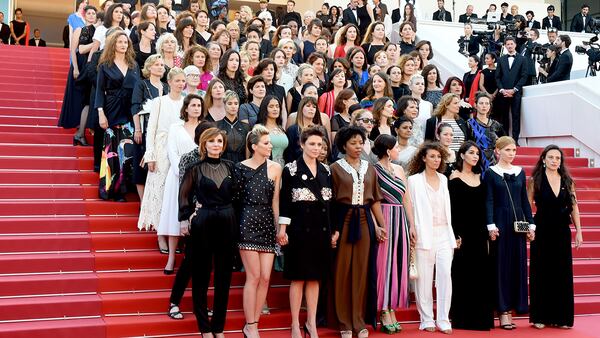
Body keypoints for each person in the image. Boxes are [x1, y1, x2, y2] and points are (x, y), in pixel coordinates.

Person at [178, 127, 238, 338]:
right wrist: (187, 217)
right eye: (211, 141)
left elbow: (238, 196)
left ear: (223, 145)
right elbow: (184, 196)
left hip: (227, 222)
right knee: (201, 276)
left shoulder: (231, 167)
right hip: (203, 223)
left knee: (224, 278)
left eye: (219, 141)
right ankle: (204, 328)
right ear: (204, 144)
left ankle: (218, 328)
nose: (216, 144)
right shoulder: (195, 168)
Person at [331, 125, 387, 338]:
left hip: (365, 221)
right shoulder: (334, 168)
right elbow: (332, 202)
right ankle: (343, 321)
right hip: (342, 220)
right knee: (342, 270)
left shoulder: (369, 167)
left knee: (362, 271)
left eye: (360, 143)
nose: (357, 147)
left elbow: (374, 201)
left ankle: (359, 320)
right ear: (344, 145)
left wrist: (380, 225)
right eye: (353, 143)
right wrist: (333, 229)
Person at [278, 126, 333, 338]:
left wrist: (333, 231)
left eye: (319, 144)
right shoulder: (290, 169)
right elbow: (285, 202)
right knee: (298, 278)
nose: (316, 148)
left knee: (315, 279)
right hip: (299, 231)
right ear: (302, 144)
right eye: (312, 144)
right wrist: (283, 229)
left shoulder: (326, 170)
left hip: (321, 231)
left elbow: (331, 204)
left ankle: (311, 323)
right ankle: (294, 324)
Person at [528, 145, 583, 329]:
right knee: (541, 272)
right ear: (543, 159)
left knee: (562, 272)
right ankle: (540, 316)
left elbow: (574, 207)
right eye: (550, 157)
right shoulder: (534, 180)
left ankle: (562, 317)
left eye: (557, 158)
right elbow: (527, 207)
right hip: (542, 230)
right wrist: (529, 228)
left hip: (561, 231)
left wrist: (579, 232)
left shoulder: (568, 180)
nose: (554, 161)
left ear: (561, 161)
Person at [236, 125, 282, 338]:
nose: (270, 146)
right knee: (253, 276)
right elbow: (236, 201)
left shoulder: (275, 168)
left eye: (270, 143)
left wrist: (278, 228)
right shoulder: (240, 168)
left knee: (265, 278)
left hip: (266, 223)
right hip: (247, 221)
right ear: (254, 146)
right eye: (266, 143)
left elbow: (275, 201)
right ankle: (251, 324)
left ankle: (253, 323)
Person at [485, 136, 535, 330]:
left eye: (514, 150)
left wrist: (531, 224)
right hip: (500, 223)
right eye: (507, 150)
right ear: (498, 151)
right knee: (501, 267)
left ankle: (514, 307)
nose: (511, 154)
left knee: (517, 265)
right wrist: (490, 225)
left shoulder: (520, 172)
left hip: (518, 223)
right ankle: (503, 312)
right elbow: (488, 200)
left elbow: (524, 200)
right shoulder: (491, 173)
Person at [137, 66, 186, 264]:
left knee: (176, 192)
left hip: (180, 150)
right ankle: (160, 233)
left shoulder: (186, 102)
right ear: (170, 82)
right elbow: (152, 129)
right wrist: (150, 155)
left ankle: (175, 231)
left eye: (183, 81)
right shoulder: (159, 102)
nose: (181, 84)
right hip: (161, 148)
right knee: (159, 190)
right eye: (178, 81)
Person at [407, 141, 456, 334]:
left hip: (444, 232)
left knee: (445, 275)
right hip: (423, 232)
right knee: (424, 279)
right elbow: (409, 205)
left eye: (439, 157)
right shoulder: (414, 180)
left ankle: (443, 318)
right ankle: (426, 318)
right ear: (423, 158)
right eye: (432, 156)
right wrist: (412, 226)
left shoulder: (444, 179)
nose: (436, 160)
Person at [372, 134, 416, 333]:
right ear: (388, 151)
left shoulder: (399, 169)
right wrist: (377, 225)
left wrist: (412, 225)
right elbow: (371, 200)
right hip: (384, 218)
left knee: (398, 264)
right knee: (383, 264)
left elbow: (406, 199)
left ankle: (391, 307)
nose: (399, 150)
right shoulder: (374, 171)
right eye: (396, 147)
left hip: (400, 220)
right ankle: (382, 309)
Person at [448, 141, 494, 330]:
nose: (475, 156)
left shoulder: (480, 177)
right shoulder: (453, 177)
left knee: (481, 274)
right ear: (462, 155)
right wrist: (453, 233)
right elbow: (450, 209)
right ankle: (462, 317)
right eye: (471, 153)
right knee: (462, 274)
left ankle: (481, 318)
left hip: (480, 232)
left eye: (477, 154)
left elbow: (485, 206)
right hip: (461, 232)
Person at [158, 93, 202, 274]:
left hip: (200, 177)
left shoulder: (205, 127)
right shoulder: (175, 128)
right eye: (193, 105)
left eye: (199, 105)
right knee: (173, 216)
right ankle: (171, 259)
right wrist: (182, 172)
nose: (196, 108)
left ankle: (192, 260)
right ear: (185, 108)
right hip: (177, 177)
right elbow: (172, 152)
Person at [95, 30, 140, 201]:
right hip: (111, 109)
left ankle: (124, 188)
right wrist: (101, 113)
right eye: (120, 42)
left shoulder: (133, 65)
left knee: (127, 152)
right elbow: (99, 91)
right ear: (113, 44)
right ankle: (111, 189)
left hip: (130, 112)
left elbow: (138, 91)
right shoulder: (104, 65)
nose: (123, 45)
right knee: (112, 151)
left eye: (125, 42)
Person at [58, 5, 98, 147]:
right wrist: (75, 68)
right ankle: (79, 131)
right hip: (79, 66)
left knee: (87, 100)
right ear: (84, 15)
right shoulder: (78, 30)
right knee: (79, 99)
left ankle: (80, 133)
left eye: (94, 13)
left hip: (92, 67)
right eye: (89, 13)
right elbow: (73, 50)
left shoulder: (98, 32)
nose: (92, 15)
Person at [131, 54, 168, 199]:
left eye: (161, 65)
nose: (160, 67)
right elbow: (135, 107)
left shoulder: (166, 86)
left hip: (161, 132)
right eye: (157, 64)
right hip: (144, 128)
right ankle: (142, 203)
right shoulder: (141, 84)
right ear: (149, 67)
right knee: (141, 166)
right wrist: (137, 130)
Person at [494, 37, 527, 141]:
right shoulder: (501, 59)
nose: (509, 46)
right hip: (503, 93)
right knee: (504, 117)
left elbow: (524, 76)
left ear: (515, 45)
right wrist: (502, 90)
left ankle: (515, 140)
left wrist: (514, 89)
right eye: (507, 44)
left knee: (516, 116)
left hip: (516, 93)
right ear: (505, 46)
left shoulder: (522, 59)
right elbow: (497, 77)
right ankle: (504, 140)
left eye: (511, 44)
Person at [467, 92, 504, 174]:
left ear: (490, 106)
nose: (484, 106)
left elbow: (504, 143)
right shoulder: (469, 124)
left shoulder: (496, 125)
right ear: (475, 105)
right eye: (481, 103)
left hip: (493, 163)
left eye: (487, 103)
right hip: (475, 161)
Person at [256, 95, 289, 167]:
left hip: (282, 169)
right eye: (271, 106)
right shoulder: (259, 129)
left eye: (277, 106)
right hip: (265, 168)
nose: (275, 109)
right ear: (265, 109)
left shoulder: (281, 129)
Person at [217, 91, 249, 163]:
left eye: (236, 103)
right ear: (224, 105)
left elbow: (248, 151)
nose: (233, 106)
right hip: (222, 165)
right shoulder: (217, 126)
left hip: (241, 165)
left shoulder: (246, 127)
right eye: (230, 103)